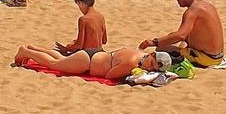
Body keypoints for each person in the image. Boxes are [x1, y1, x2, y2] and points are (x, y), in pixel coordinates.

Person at [140, 0, 225, 68]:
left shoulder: (192, 12)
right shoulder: (207, 5)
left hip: (208, 59)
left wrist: (154, 42)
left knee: (162, 48)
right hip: (218, 56)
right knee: (173, 37)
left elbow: (181, 35)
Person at [13, 0, 108, 62]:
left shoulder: (83, 19)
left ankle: (28, 51)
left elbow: (80, 45)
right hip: (100, 53)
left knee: (56, 60)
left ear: (81, 3)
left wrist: (67, 47)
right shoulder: (101, 17)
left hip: (87, 56)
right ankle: (32, 48)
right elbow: (104, 41)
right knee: (60, 54)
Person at [14, 43, 169, 81]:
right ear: (152, 55)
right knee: (54, 65)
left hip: (93, 55)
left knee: (61, 60)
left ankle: (34, 48)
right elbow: (109, 76)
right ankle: (26, 52)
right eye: (151, 65)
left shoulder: (139, 53)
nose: (149, 69)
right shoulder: (132, 63)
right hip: (87, 62)